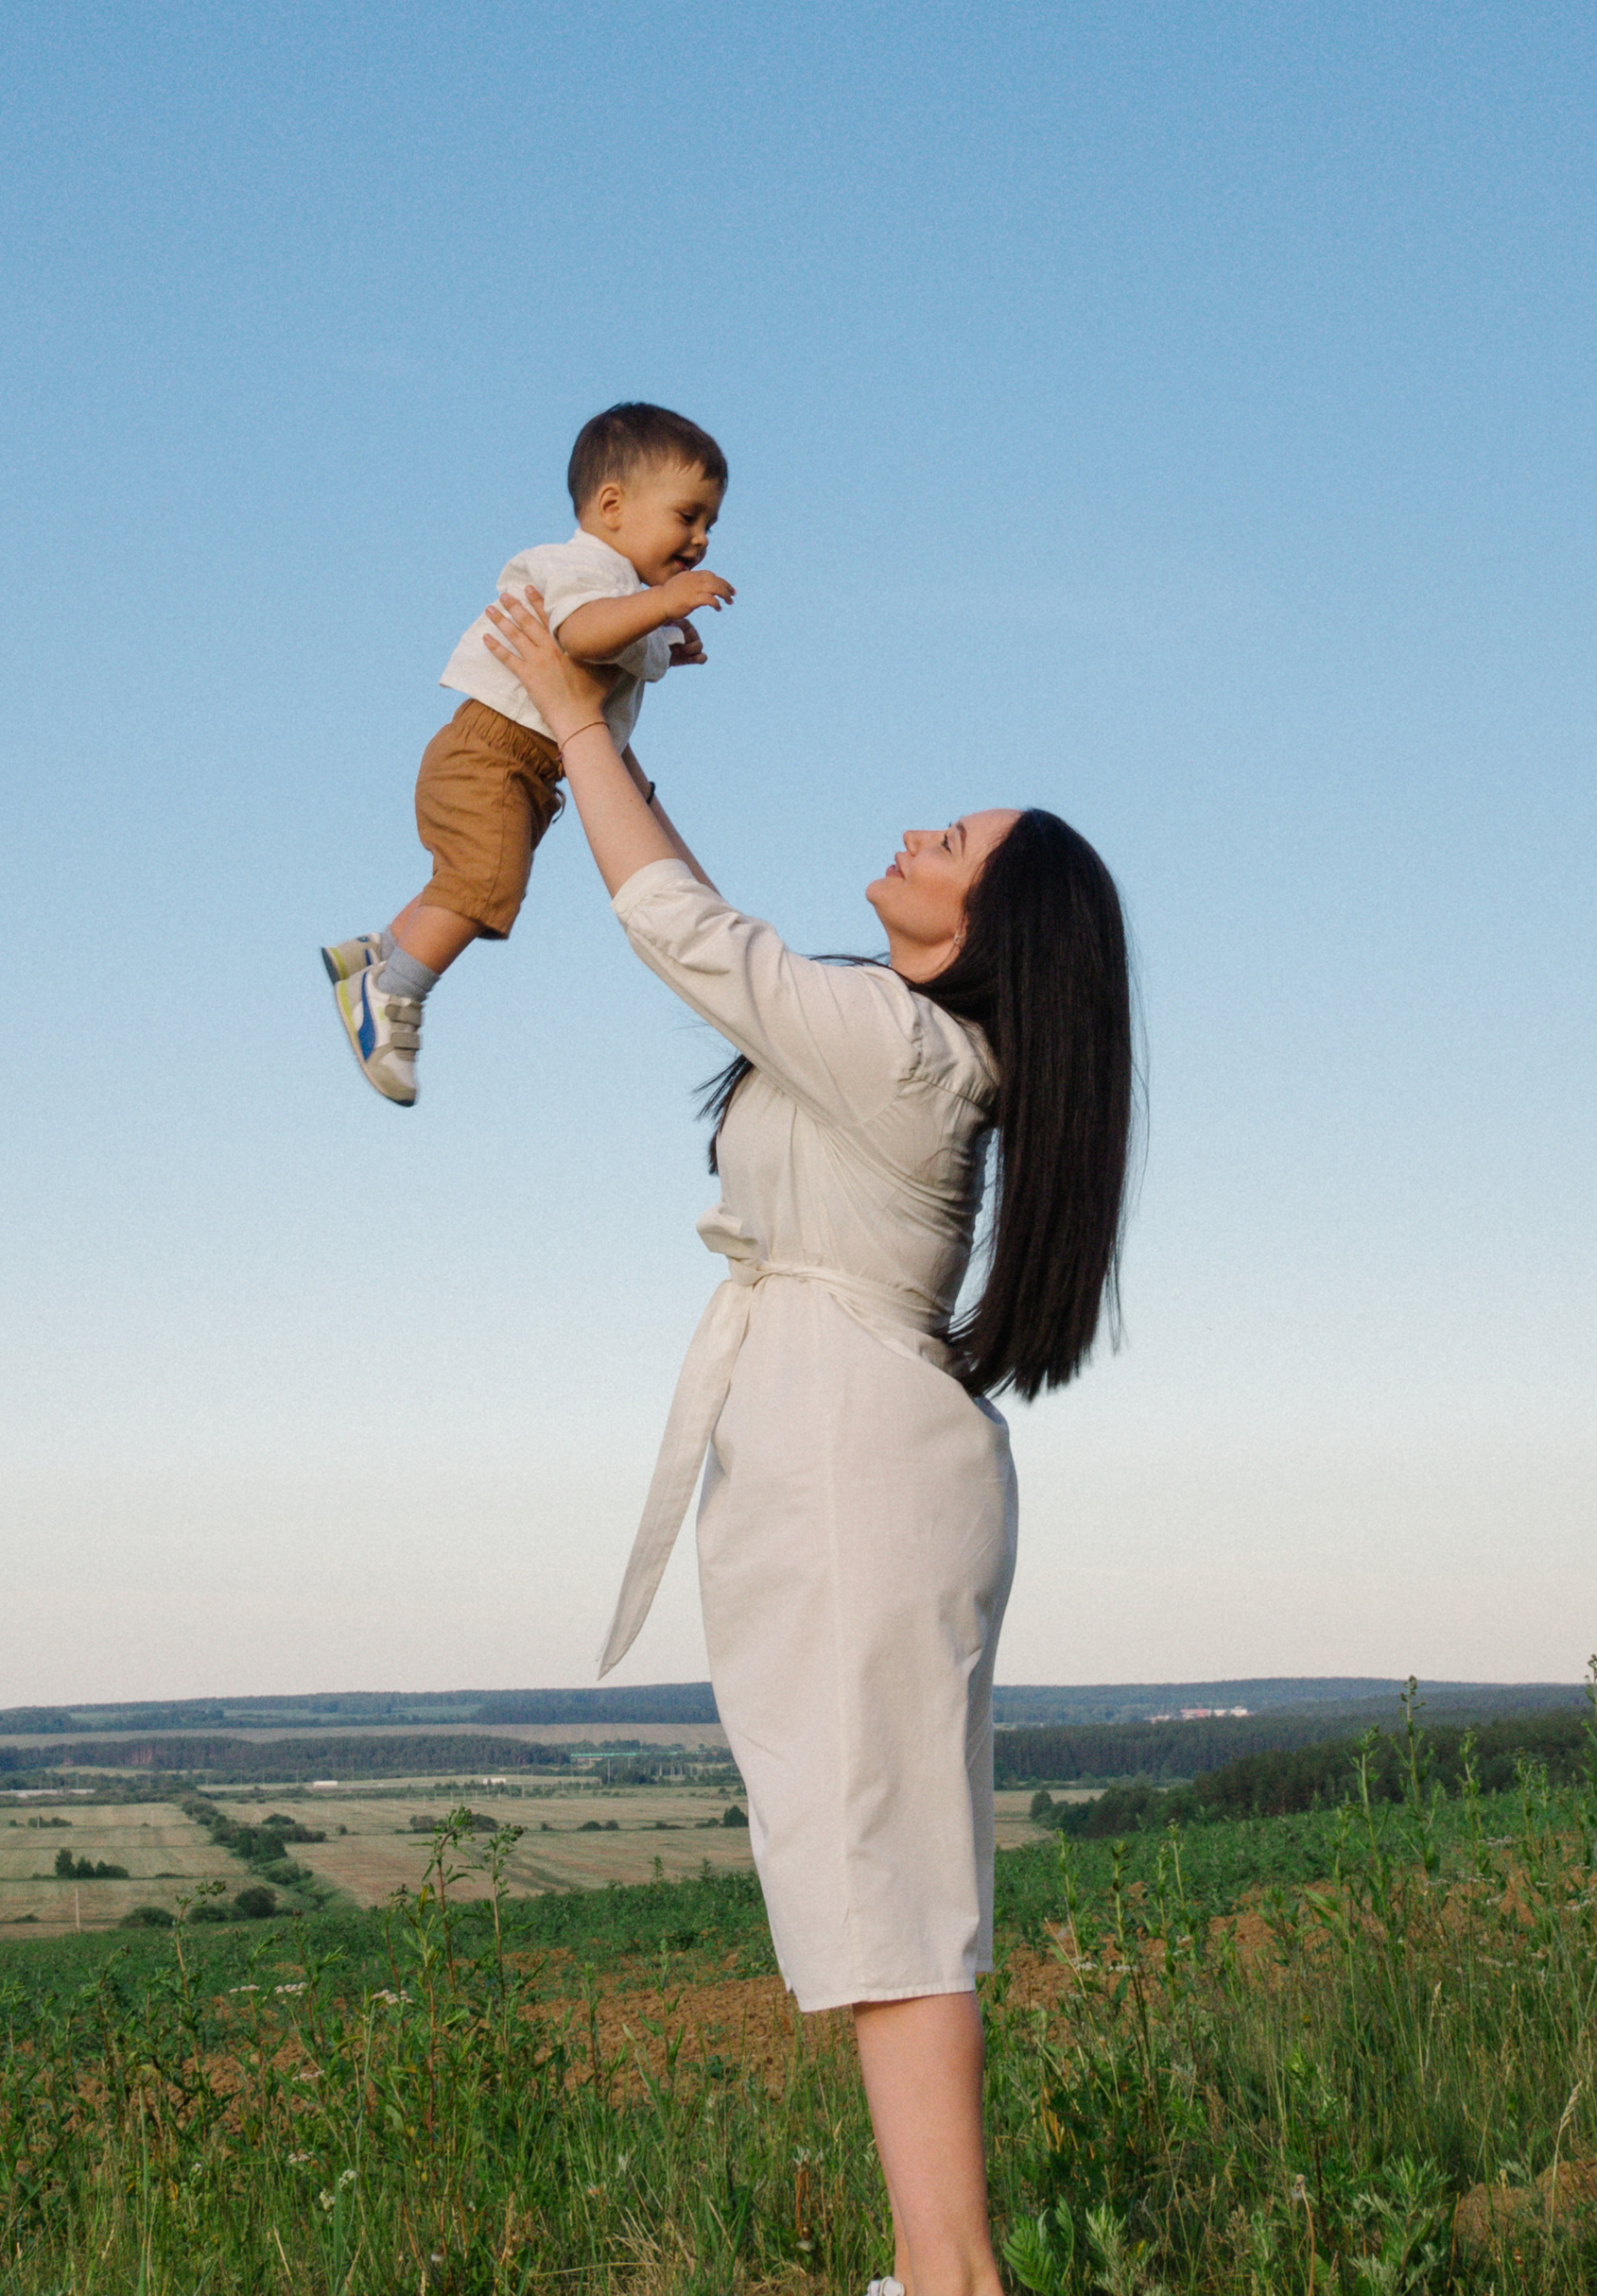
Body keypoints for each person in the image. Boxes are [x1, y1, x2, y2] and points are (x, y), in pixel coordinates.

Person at [482, 586, 1135, 2296]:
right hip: (838, 1447)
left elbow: (686, 930)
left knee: (888, 1891)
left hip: (857, 1463)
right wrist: (606, 732)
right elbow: (717, 936)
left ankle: (953, 2277)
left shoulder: (915, 1056)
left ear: (994, 927)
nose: (920, 830)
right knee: (873, 1884)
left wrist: (569, 709)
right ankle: (942, 2271)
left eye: (956, 842)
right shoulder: (894, 1040)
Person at [323, 402, 735, 1104]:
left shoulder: (620, 592)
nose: (699, 540)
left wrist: (668, 642)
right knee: (487, 879)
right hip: (490, 752)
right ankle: (390, 995)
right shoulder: (580, 566)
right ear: (612, 506)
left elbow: (616, 639)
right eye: (687, 516)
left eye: (710, 526)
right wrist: (665, 607)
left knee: (471, 871)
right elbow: (581, 633)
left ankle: (378, 948)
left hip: (524, 766)